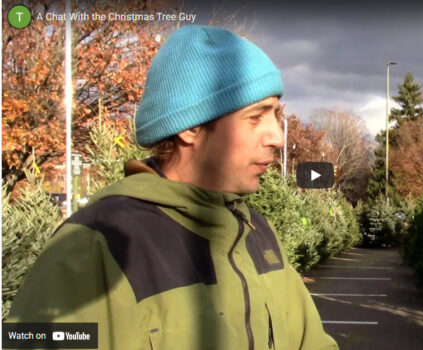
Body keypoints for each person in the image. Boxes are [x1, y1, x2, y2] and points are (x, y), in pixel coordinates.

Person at [7, 25, 339, 350]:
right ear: (190, 127)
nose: (278, 138)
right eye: (256, 117)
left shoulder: (258, 233)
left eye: (276, 115)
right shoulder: (94, 246)